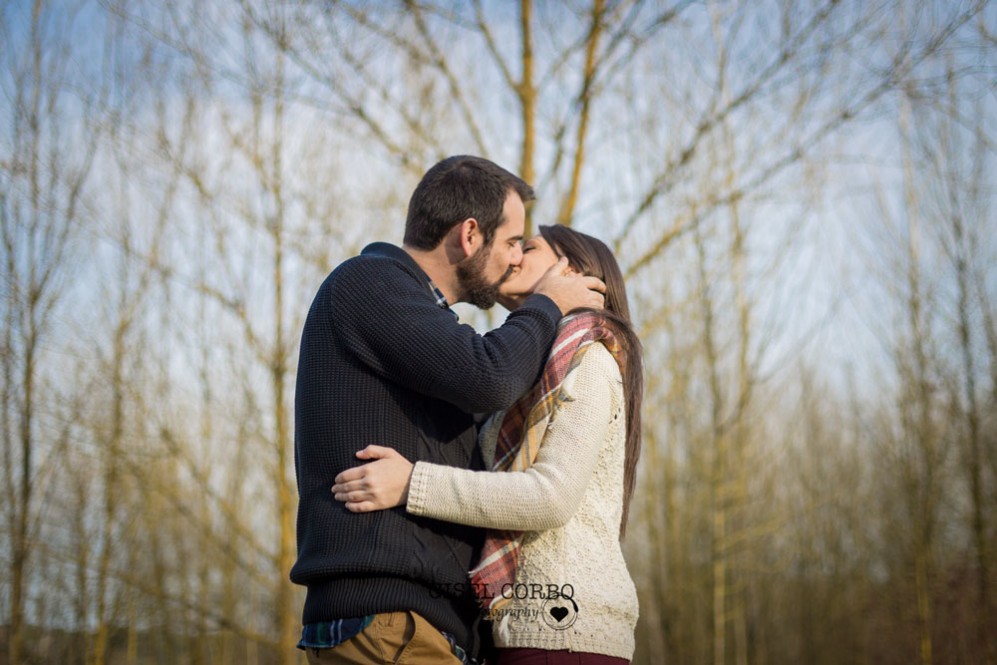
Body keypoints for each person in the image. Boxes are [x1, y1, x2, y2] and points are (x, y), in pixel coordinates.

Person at [292, 156, 606, 665]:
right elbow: (490, 377)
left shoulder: (422, 319)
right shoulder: (371, 284)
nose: (513, 260)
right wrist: (547, 304)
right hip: (390, 622)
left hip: (414, 625)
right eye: (511, 243)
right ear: (469, 235)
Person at [332, 224, 644, 664]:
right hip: (519, 629)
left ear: (570, 270)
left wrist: (411, 484)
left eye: (528, 248)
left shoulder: (590, 361)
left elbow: (550, 497)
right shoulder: (527, 372)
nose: (513, 257)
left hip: (569, 632)